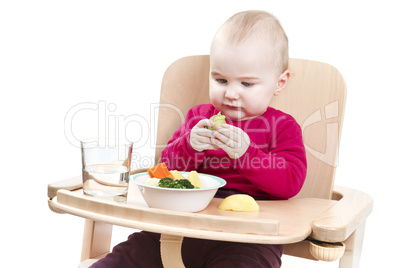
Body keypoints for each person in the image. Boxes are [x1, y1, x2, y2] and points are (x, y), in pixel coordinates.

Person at [91, 10, 307, 268]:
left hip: (248, 238)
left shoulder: (282, 126)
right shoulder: (198, 118)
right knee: (123, 258)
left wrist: (247, 155)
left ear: (279, 83)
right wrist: (189, 146)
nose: (230, 93)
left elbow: (290, 183)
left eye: (246, 84)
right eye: (221, 79)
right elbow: (166, 171)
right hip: (175, 226)